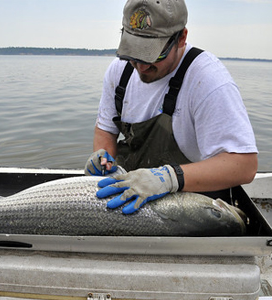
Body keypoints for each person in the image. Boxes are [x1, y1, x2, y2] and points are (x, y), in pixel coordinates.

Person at [84, 0, 258, 214]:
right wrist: (103, 160)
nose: (141, 66)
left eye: (153, 54)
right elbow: (106, 129)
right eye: (134, 54)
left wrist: (169, 178)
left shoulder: (208, 80)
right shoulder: (119, 72)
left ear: (181, 38)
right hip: (129, 199)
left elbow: (243, 166)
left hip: (190, 205)